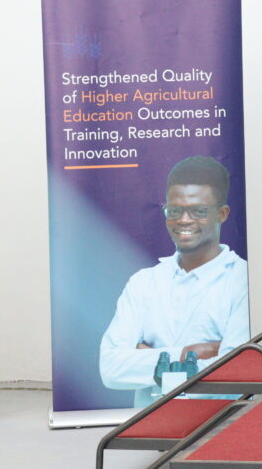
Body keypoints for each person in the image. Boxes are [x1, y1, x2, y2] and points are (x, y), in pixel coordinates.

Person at [99, 156, 249, 407]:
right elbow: (110, 368)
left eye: (198, 211)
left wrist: (150, 360)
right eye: (175, 211)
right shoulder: (143, 282)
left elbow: (235, 371)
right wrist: (189, 354)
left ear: (222, 214)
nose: (184, 220)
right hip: (150, 424)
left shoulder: (243, 282)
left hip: (220, 423)